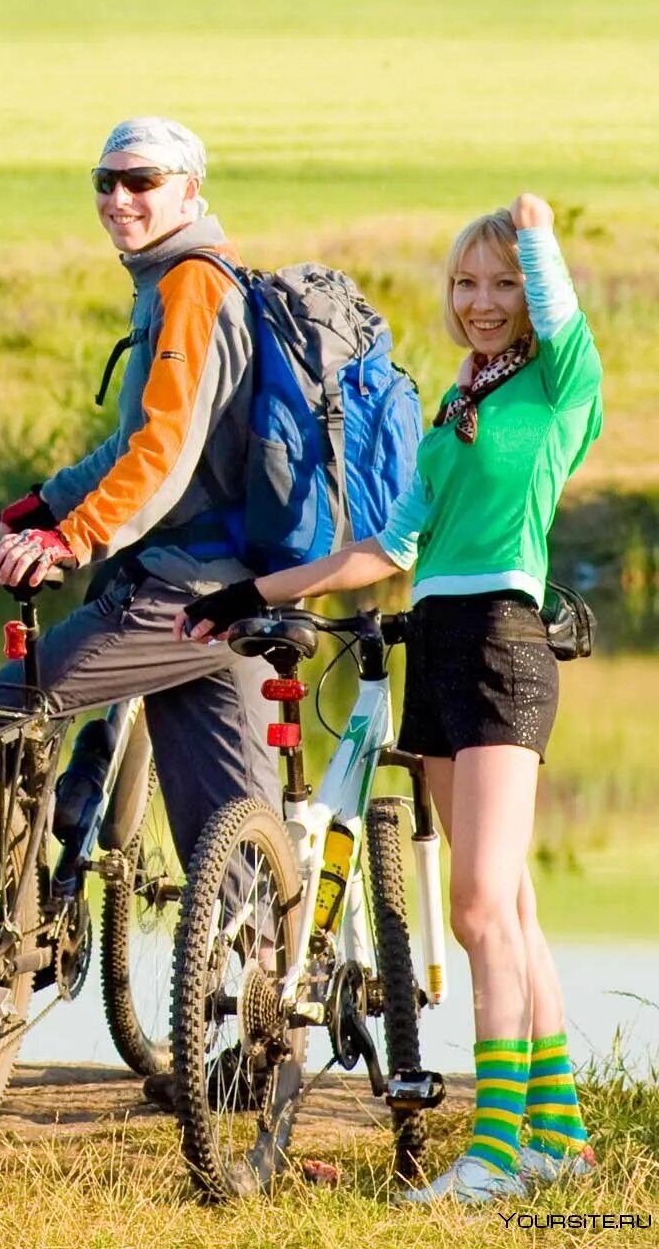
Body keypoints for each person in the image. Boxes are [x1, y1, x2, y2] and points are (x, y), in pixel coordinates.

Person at [179, 194, 603, 1205]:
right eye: (466, 283)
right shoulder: (459, 404)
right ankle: (559, 1132)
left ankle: (494, 1154)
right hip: (437, 644)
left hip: (505, 642)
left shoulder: (560, 386)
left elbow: (562, 309)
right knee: (510, 906)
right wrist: (253, 592)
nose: (484, 301)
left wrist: (533, 234)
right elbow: (390, 547)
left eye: (502, 284)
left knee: (474, 907)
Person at [0, 118, 280, 1108]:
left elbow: (161, 458)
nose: (118, 197)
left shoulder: (190, 287)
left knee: (2, 709)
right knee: (232, 829)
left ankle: (10, 945)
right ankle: (243, 1055)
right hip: (238, 586)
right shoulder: (184, 283)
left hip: (183, 587)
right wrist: (49, 500)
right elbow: (137, 442)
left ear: (189, 189)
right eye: (103, 181)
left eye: (140, 180)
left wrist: (74, 539)